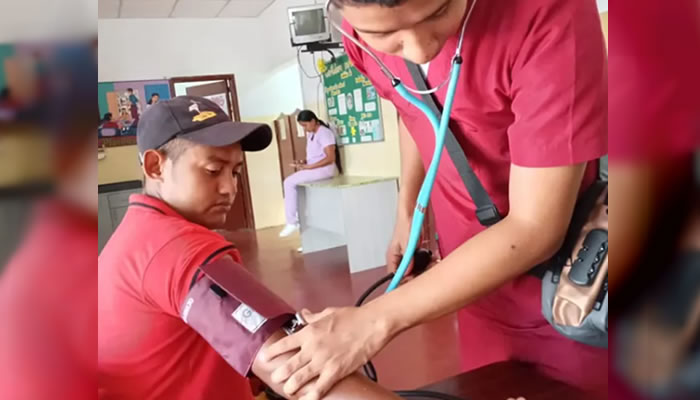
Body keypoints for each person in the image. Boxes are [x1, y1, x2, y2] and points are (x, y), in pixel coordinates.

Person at [262, 0, 608, 399]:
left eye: (438, 12)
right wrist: (408, 211)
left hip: (570, 292)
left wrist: (374, 321)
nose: (420, 49)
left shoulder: (547, 13)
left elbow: (535, 227)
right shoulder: (358, 39)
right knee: (491, 385)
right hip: (468, 285)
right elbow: (412, 108)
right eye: (385, 35)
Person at [97, 96, 401, 400]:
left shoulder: (135, 235)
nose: (229, 188)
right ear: (156, 166)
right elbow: (294, 371)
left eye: (235, 172)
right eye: (213, 170)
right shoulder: (177, 247)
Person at [279, 110, 341, 238]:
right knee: (296, 188)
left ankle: (291, 222)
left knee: (288, 182)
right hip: (315, 169)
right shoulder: (312, 134)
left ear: (313, 121)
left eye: (305, 125)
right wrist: (303, 162)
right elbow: (316, 156)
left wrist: (310, 167)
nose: (305, 129)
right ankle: (303, 230)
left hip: (325, 170)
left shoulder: (324, 133)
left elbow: (330, 158)